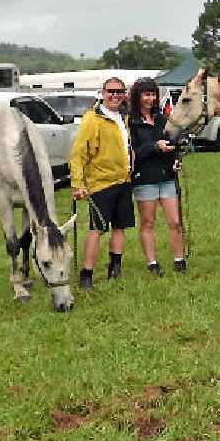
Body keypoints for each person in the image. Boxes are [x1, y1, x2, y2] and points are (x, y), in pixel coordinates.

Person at [70, 77, 135, 289]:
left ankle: (115, 267)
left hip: (124, 180)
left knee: (119, 227)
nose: (115, 95)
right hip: (101, 184)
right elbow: (78, 154)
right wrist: (78, 184)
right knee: (97, 230)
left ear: (124, 94)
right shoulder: (93, 119)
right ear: (103, 93)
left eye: (119, 91)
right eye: (111, 91)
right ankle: (86, 274)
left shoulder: (122, 117)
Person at [127, 77, 187, 275]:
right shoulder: (131, 123)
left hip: (167, 177)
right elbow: (133, 152)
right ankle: (152, 263)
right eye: (146, 94)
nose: (150, 98)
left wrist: (176, 158)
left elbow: (173, 142)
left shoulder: (162, 119)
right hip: (145, 179)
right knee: (148, 222)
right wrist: (155, 146)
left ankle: (179, 259)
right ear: (137, 97)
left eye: (153, 94)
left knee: (175, 221)